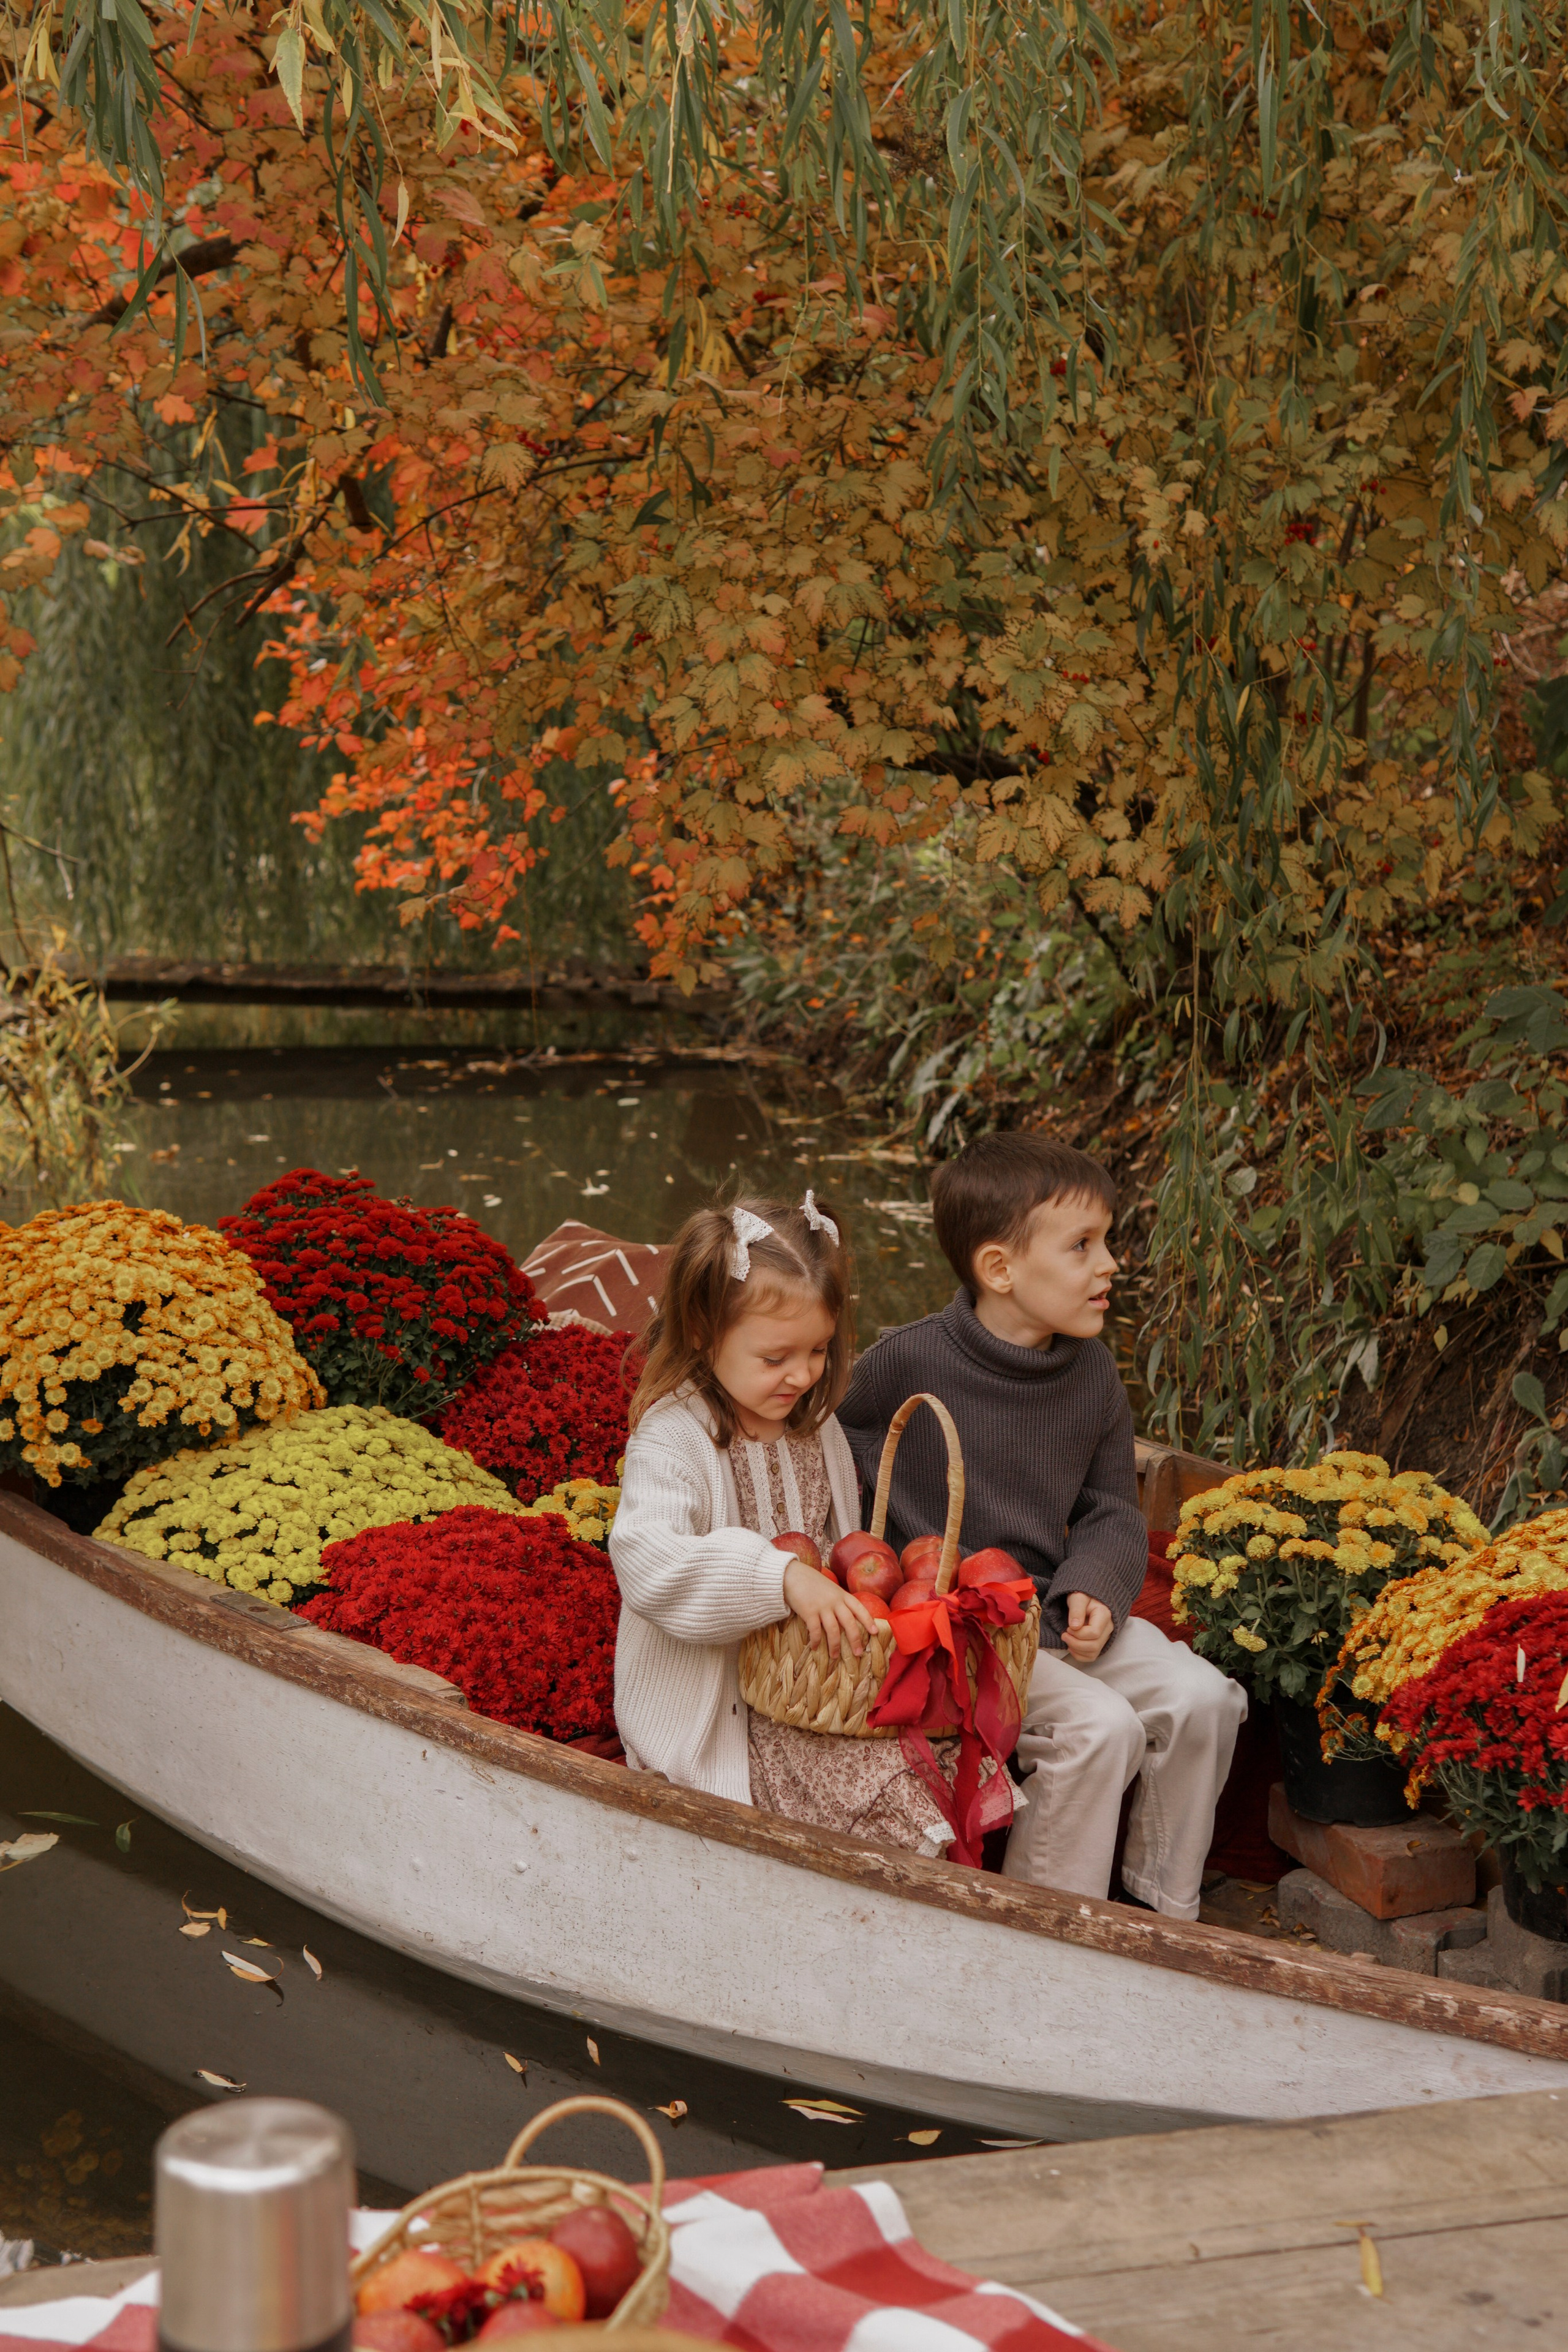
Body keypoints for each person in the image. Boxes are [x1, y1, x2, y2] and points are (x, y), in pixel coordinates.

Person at [838, 1133, 1246, 1918]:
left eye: (1107, 1241)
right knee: (1098, 1729)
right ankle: (1044, 1923)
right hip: (966, 1629)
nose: (1110, 1266)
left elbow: (1110, 1507)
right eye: (1083, 1246)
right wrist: (880, 1563)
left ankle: (1162, 1901)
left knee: (1204, 1698)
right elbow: (833, 1444)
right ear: (1000, 1270)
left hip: (1053, 1605)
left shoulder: (1090, 1373)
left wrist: (1097, 1583)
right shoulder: (910, 1362)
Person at [609, 1192, 970, 1853]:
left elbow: (841, 1554)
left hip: (810, 1694)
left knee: (931, 1772)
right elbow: (648, 1560)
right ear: (701, 1330)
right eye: (776, 1358)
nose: (803, 1375)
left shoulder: (816, 1430)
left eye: (819, 1351)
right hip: (721, 1714)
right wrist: (779, 1580)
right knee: (887, 1800)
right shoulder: (673, 1439)